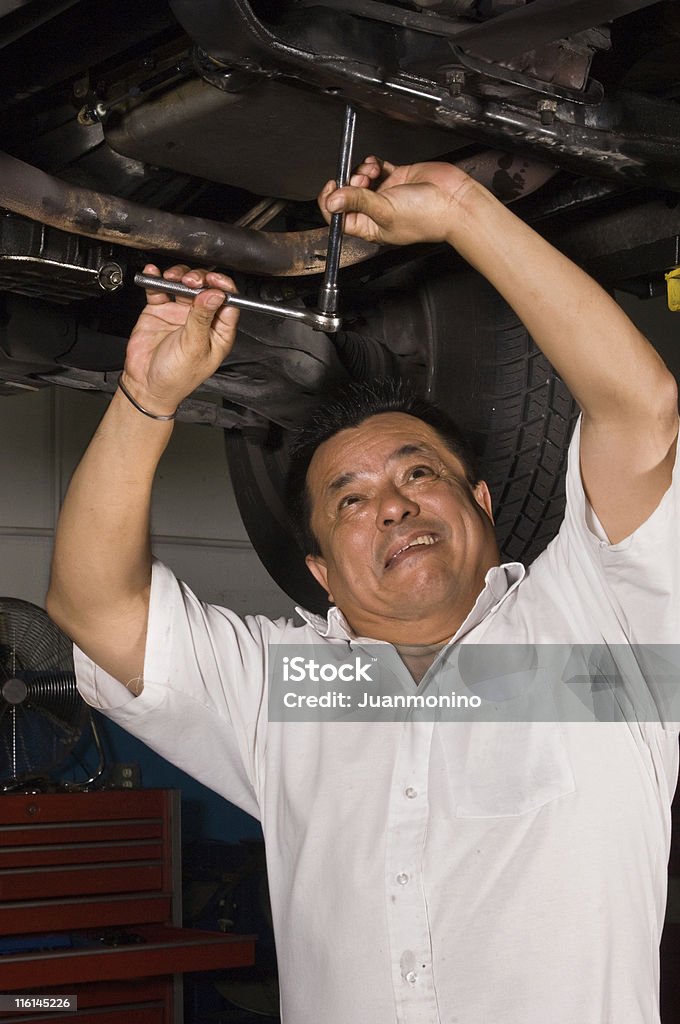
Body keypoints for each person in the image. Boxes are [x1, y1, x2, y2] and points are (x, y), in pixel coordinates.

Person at [47, 156, 679, 1024]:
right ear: (318, 569)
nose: (393, 506)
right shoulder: (299, 689)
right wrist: (146, 398)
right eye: (351, 499)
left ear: (481, 503)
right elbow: (94, 606)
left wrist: (464, 212)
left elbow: (639, 411)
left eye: (420, 473)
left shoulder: (595, 633)